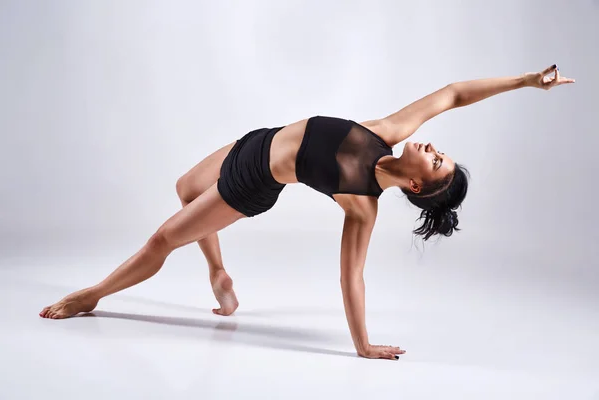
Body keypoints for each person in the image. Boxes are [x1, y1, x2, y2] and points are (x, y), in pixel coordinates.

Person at [39, 64, 574, 360]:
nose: (433, 149)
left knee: (162, 239)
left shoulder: (362, 204)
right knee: (183, 185)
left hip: (251, 182)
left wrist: (362, 345)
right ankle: (219, 274)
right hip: (256, 141)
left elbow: (351, 278)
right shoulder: (387, 132)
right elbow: (455, 93)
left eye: (436, 162)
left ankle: (92, 296)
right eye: (438, 152)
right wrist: (525, 82)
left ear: (415, 183)